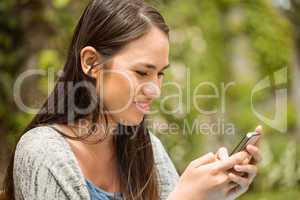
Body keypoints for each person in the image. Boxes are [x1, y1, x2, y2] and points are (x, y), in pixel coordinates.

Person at [2, 0, 262, 199]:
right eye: (141, 72)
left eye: (160, 74)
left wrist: (214, 193)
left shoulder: (145, 148)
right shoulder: (43, 152)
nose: (155, 90)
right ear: (91, 63)